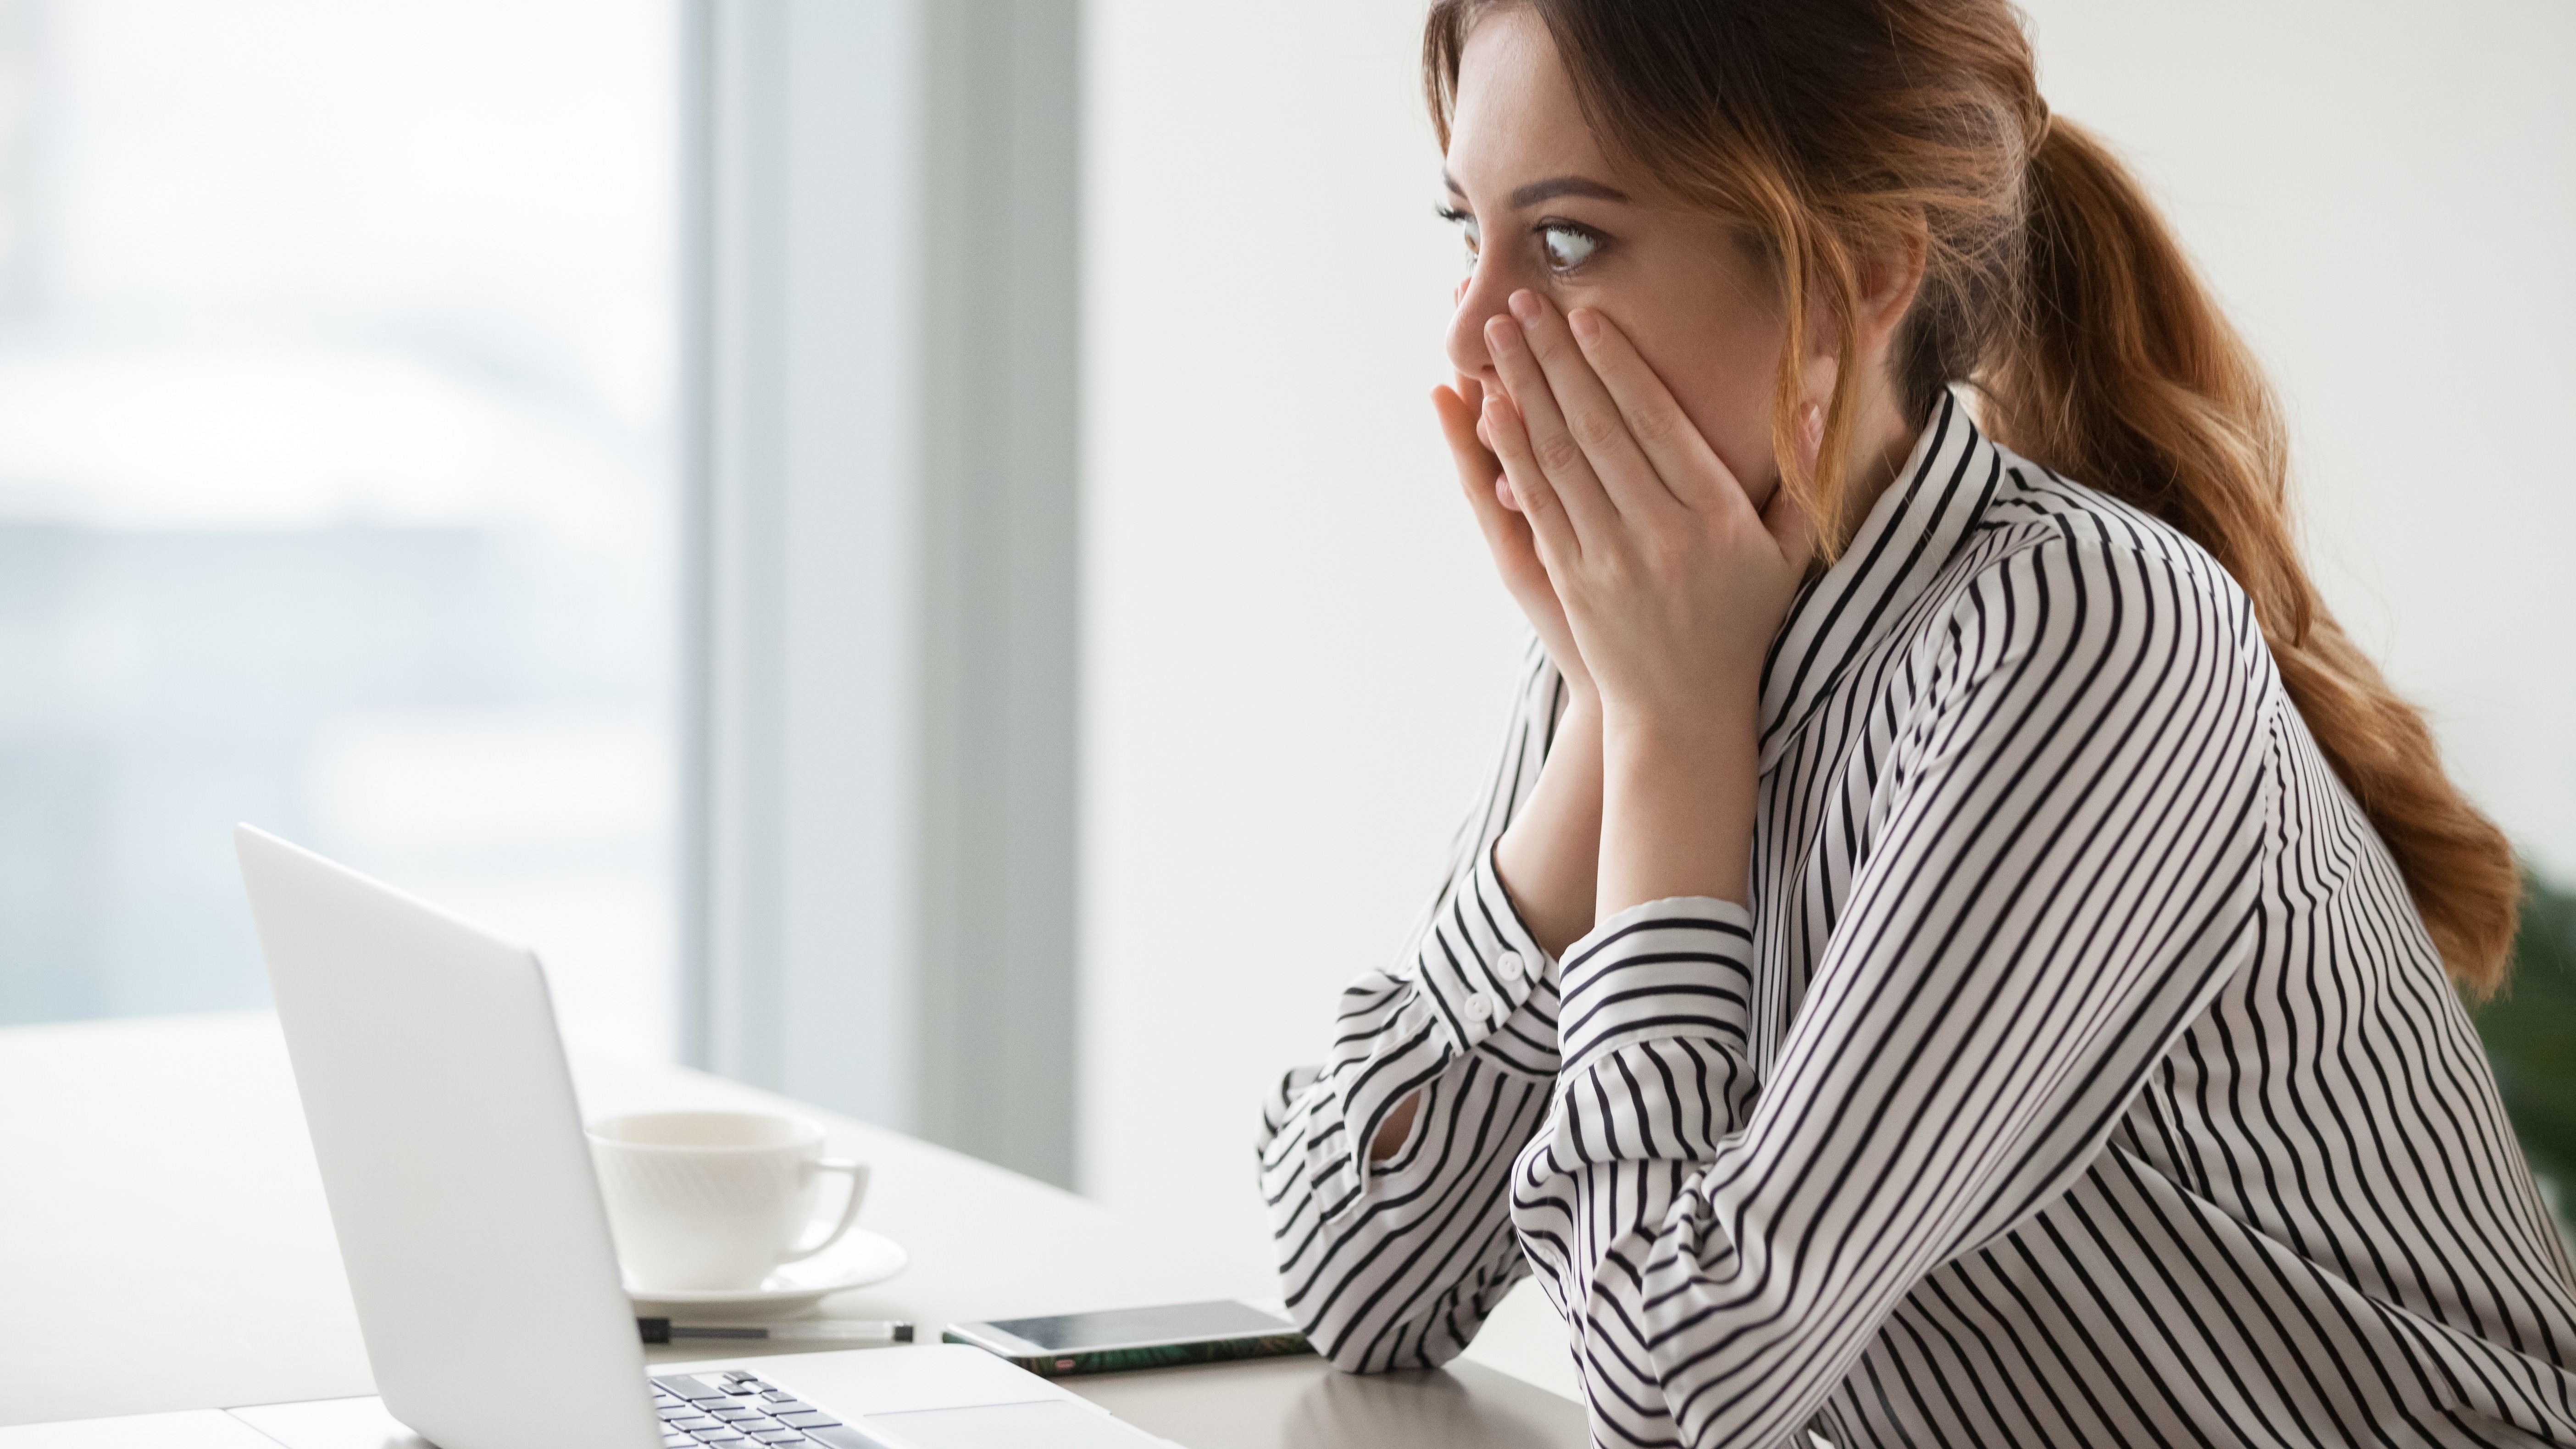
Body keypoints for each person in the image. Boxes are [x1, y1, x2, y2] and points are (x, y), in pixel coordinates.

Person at [1255, 3, 2573, 1446]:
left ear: (1862, 271)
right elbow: (1354, 1278)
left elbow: (1683, 1373)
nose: (1467, 327)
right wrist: (1620, 731)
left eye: (1565, 242)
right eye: (1466, 232)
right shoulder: (1653, 646)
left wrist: (1674, 734)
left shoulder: (2084, 634)